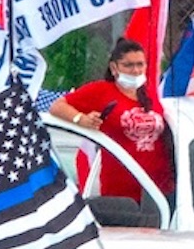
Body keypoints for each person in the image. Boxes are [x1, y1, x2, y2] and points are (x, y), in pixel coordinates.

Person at [48, 39, 172, 204]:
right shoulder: (101, 91)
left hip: (160, 192)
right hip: (121, 195)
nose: (135, 70)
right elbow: (57, 106)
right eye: (128, 65)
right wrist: (81, 119)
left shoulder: (150, 94)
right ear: (114, 68)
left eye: (140, 64)